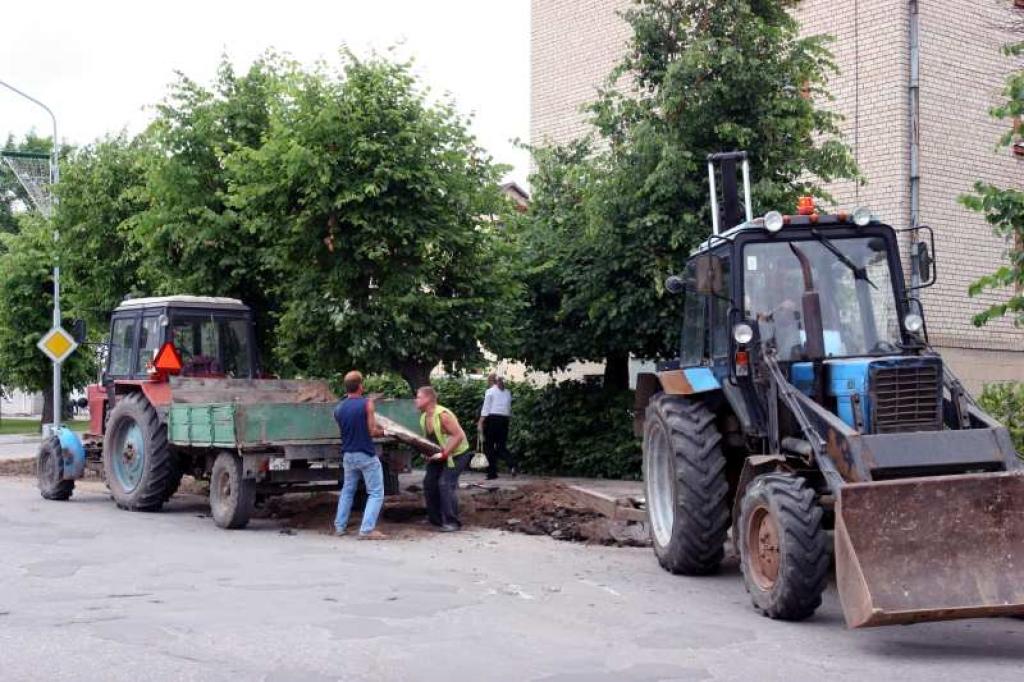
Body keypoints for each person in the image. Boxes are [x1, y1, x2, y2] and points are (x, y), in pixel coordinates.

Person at [333, 371, 387, 540]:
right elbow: (372, 431)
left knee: (347, 491)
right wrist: (385, 431)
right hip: (365, 454)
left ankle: (339, 527)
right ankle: (367, 530)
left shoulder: (338, 408)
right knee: (376, 492)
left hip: (348, 455)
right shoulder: (367, 403)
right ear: (360, 386)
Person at [415, 385, 470, 532]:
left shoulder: (443, 415)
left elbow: (458, 436)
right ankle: (436, 519)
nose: (415, 400)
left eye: (418, 397)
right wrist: (427, 453)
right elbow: (431, 440)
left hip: (457, 455)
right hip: (442, 455)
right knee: (429, 483)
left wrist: (444, 454)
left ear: (428, 399)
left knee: (445, 484)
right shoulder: (424, 417)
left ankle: (452, 522)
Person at [477, 372, 513, 480]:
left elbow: (486, 408)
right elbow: (508, 409)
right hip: (504, 420)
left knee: (489, 447)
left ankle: (492, 473)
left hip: (492, 420)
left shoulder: (490, 391)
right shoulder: (507, 392)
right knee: (501, 447)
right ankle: (512, 464)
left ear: (491, 381)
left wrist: (480, 422)